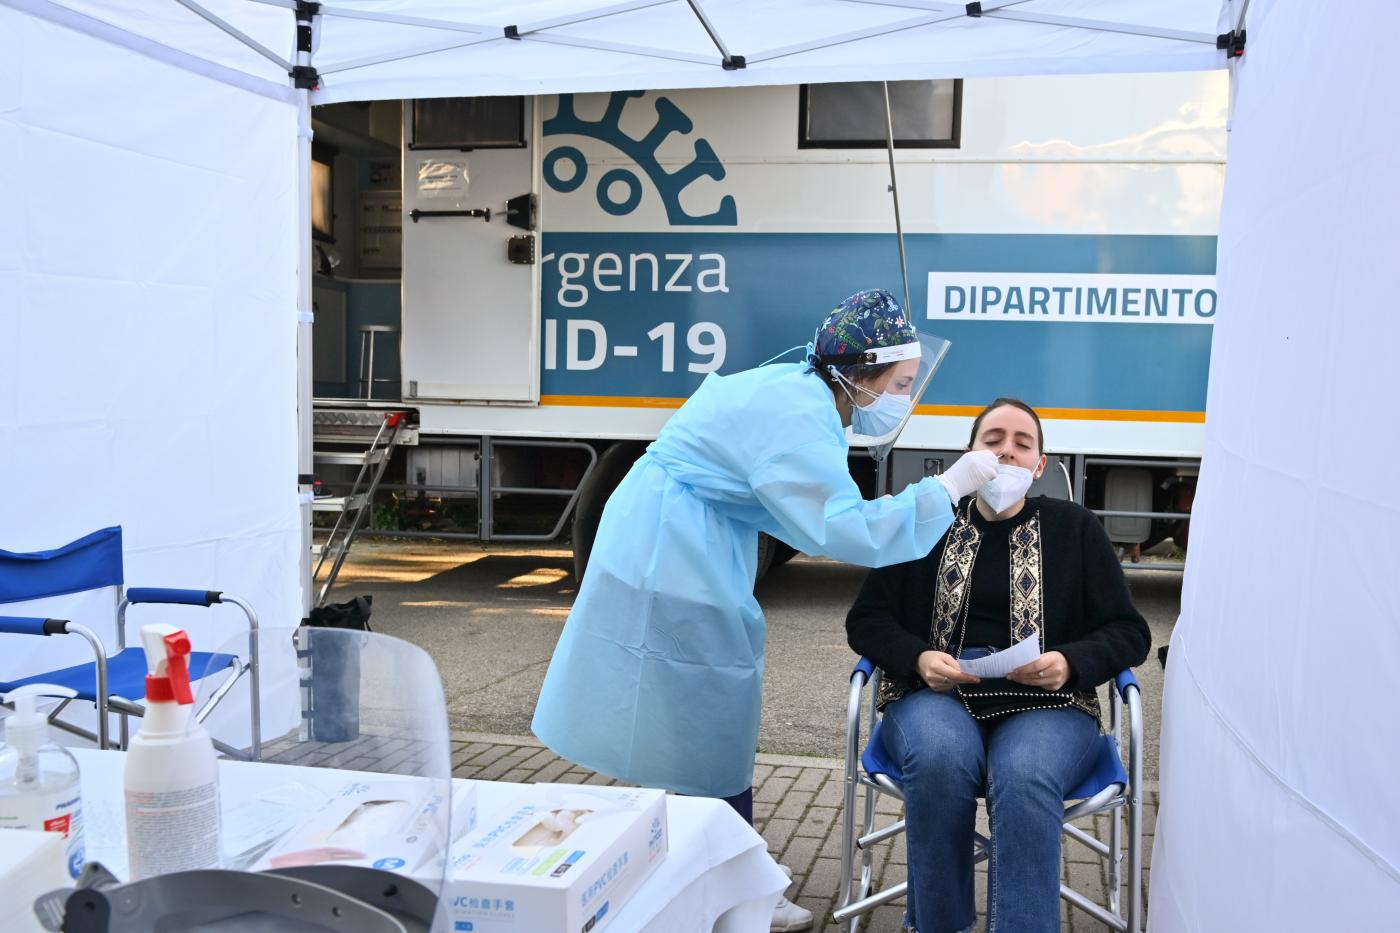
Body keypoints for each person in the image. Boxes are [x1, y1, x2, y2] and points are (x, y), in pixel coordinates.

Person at [532, 289, 998, 932]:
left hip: (672, 539)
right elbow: (846, 529)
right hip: (671, 557)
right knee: (705, 727)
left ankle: (716, 869)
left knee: (691, 726)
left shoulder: (798, 390)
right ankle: (732, 889)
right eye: (900, 384)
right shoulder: (799, 418)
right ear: (861, 372)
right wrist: (949, 486)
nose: (904, 398)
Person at [846, 398, 1151, 933]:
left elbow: (1129, 631)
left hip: (1050, 703)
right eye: (992, 441)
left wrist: (1070, 662)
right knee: (940, 760)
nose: (1006, 451)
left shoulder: (1075, 529)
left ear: (1039, 465)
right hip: (933, 694)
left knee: (1025, 773)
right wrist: (917, 657)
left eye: (1022, 444)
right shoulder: (924, 521)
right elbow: (867, 620)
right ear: (968, 454)